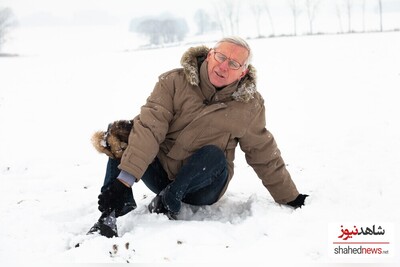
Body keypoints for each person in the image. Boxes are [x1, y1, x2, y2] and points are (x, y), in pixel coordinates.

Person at [89, 36, 308, 237]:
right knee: (125, 133)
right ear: (210, 54)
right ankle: (110, 214)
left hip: (204, 185)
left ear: (243, 72)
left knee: (213, 154)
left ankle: (168, 200)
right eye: (221, 57)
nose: (223, 66)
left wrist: (290, 196)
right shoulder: (173, 82)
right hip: (161, 174)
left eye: (233, 64)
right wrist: (124, 181)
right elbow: (150, 129)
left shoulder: (249, 105)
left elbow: (262, 151)